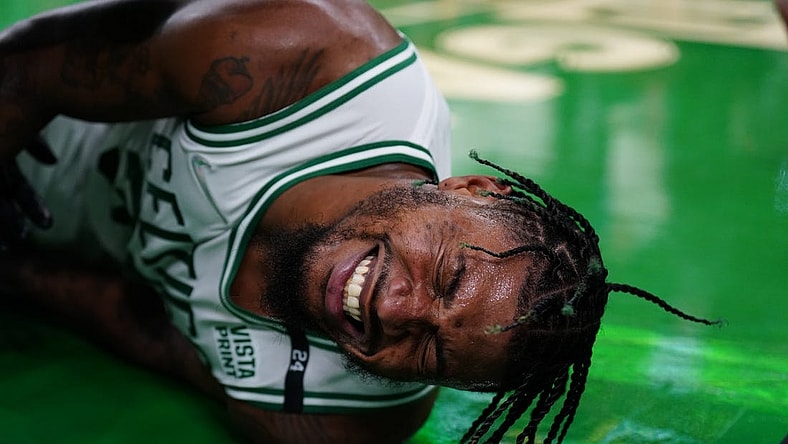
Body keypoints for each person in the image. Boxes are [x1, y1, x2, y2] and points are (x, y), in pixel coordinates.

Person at [0, 1, 730, 443]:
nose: (397, 310)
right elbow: (25, 67)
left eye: (433, 353)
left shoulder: (336, 420)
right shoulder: (308, 61)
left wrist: (13, 272)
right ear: (469, 189)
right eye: (447, 275)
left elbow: (155, 336)